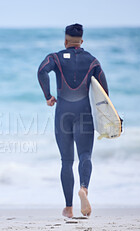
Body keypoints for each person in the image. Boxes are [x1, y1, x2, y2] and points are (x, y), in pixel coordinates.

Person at [37, 23, 108, 218]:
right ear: (82, 41)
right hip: (84, 113)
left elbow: (41, 71)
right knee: (85, 155)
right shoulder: (92, 61)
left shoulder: (55, 57)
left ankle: (68, 208)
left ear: (65, 41)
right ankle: (84, 189)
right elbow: (104, 93)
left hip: (63, 114)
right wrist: (108, 117)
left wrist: (48, 96)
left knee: (66, 161)